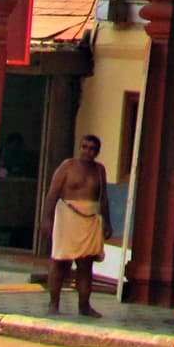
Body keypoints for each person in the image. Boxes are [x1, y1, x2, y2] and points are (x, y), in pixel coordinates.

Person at [42, 134, 112, 317]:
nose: (87, 151)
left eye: (91, 149)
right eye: (84, 147)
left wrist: (107, 222)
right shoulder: (67, 166)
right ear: (80, 148)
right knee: (60, 262)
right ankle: (53, 303)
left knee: (86, 265)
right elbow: (52, 195)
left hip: (90, 219)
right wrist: (47, 219)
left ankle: (84, 306)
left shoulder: (99, 170)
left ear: (97, 152)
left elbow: (103, 197)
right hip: (67, 216)